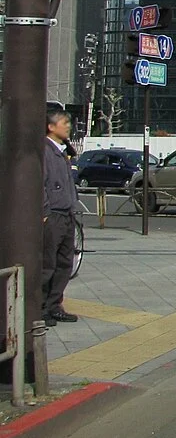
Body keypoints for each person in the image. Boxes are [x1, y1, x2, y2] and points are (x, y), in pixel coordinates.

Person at [42, 108, 79, 325]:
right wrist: (45, 212)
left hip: (67, 213)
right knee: (48, 263)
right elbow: (40, 184)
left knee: (65, 263)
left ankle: (55, 305)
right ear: (51, 126)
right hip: (53, 215)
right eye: (64, 123)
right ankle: (41, 308)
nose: (68, 126)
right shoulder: (45, 150)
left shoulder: (63, 150)